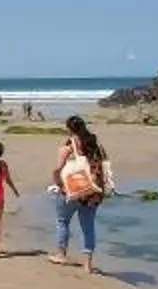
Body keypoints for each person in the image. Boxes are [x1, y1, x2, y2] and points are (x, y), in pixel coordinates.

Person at [48, 116, 113, 273]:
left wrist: (58, 183)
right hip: (92, 191)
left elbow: (57, 168)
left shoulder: (70, 146)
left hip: (72, 189)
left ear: (69, 129)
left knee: (63, 220)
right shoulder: (95, 145)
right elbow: (103, 167)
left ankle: (61, 254)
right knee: (88, 226)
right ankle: (87, 265)